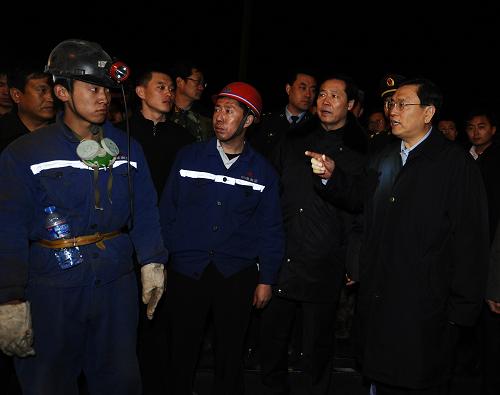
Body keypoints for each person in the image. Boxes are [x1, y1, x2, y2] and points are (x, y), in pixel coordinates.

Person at [0, 39, 168, 395]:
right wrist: (10, 299)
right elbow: (8, 228)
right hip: (52, 286)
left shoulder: (128, 148)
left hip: (115, 284)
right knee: (48, 382)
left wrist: (153, 261)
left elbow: (146, 209)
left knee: (119, 381)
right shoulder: (25, 153)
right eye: (92, 88)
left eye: (106, 89)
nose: (103, 98)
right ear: (62, 91)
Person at [355, 78, 489, 394]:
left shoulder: (455, 165)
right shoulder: (384, 156)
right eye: (391, 104)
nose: (393, 111)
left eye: (403, 104)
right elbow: (362, 208)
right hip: (379, 298)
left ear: (428, 113)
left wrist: (461, 311)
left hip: (426, 307)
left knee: (416, 379)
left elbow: (471, 240)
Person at [159, 81, 284, 395]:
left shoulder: (263, 172)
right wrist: (160, 261)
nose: (220, 116)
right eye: (217, 109)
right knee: (181, 351)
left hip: (236, 275)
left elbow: (271, 228)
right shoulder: (189, 157)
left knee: (230, 355)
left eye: (230, 111)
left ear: (249, 119)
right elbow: (167, 212)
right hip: (187, 271)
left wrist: (266, 278)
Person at [259, 73, 368, 395]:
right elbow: (270, 192)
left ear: (350, 105)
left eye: (335, 96)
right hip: (284, 253)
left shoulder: (361, 151)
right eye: (322, 94)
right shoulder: (292, 141)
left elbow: (361, 204)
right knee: (272, 339)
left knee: (317, 345)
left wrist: (354, 258)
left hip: (325, 259)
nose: (325, 101)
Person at [248, 68, 317, 159]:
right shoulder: (266, 122)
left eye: (313, 90)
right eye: (303, 88)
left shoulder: (316, 126)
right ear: (288, 89)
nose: (308, 95)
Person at [0, 66, 55, 152]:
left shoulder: (68, 131)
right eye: (42, 90)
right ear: (16, 95)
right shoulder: (4, 134)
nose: (51, 98)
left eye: (53, 91)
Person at [168, 59, 213, 142]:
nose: (201, 87)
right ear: (179, 82)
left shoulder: (206, 117)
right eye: (197, 82)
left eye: (203, 84)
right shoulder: (164, 111)